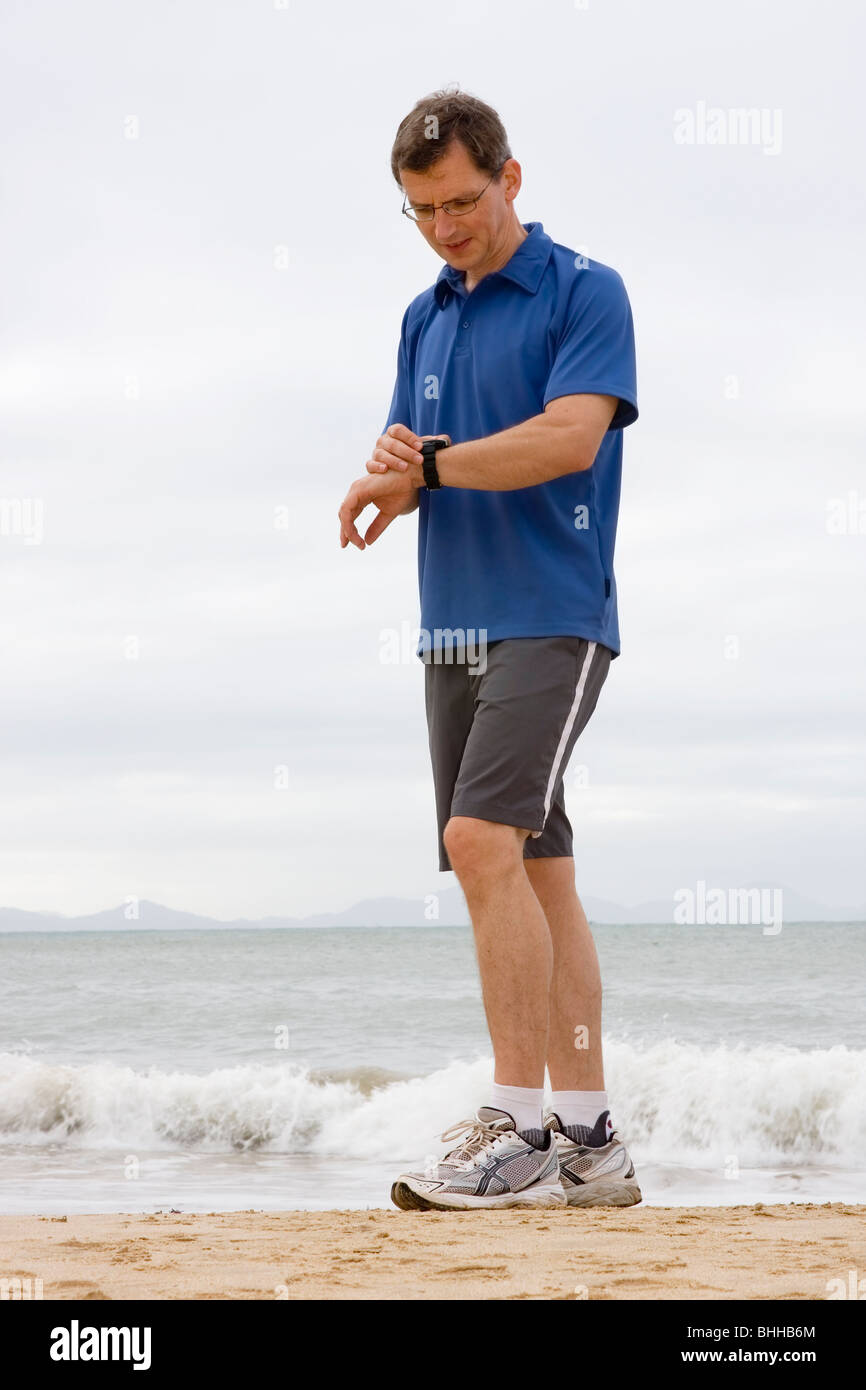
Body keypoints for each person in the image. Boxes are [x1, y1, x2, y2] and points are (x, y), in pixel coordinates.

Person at [338, 87, 641, 1212]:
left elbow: (566, 440)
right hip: (452, 622)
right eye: (420, 210)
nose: (444, 227)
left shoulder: (583, 291)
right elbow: (432, 454)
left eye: (461, 201)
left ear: (510, 179)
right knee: (535, 869)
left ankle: (513, 1123)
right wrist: (391, 481)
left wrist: (426, 468)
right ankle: (591, 1139)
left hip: (552, 612)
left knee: (476, 842)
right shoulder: (422, 316)